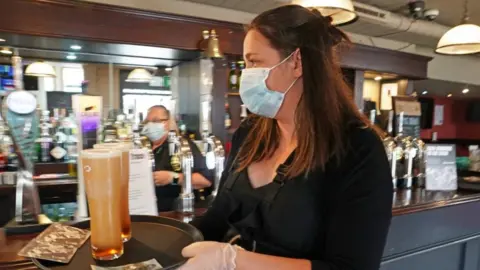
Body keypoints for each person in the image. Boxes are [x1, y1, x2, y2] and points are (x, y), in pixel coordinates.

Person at [180, 5, 393, 270]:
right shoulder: (250, 133)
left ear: (296, 62)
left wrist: (235, 260)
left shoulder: (357, 149)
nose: (246, 73)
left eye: (254, 61)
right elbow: (218, 218)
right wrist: (166, 247)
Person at [142, 105, 214, 212]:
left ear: (167, 122)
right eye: (147, 121)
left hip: (173, 212)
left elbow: (205, 181)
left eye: (155, 121)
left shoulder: (182, 146)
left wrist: (173, 178)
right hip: (146, 210)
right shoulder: (143, 146)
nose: (150, 125)